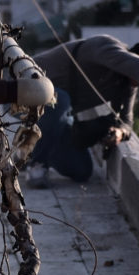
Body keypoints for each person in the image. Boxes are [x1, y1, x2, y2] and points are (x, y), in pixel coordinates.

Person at [28, 35, 139, 187]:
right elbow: (131, 63)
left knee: (82, 171)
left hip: (56, 119)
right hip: (24, 90)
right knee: (60, 99)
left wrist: (120, 132)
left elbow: (126, 121)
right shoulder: (105, 47)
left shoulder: (127, 85)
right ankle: (37, 164)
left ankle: (28, 148)